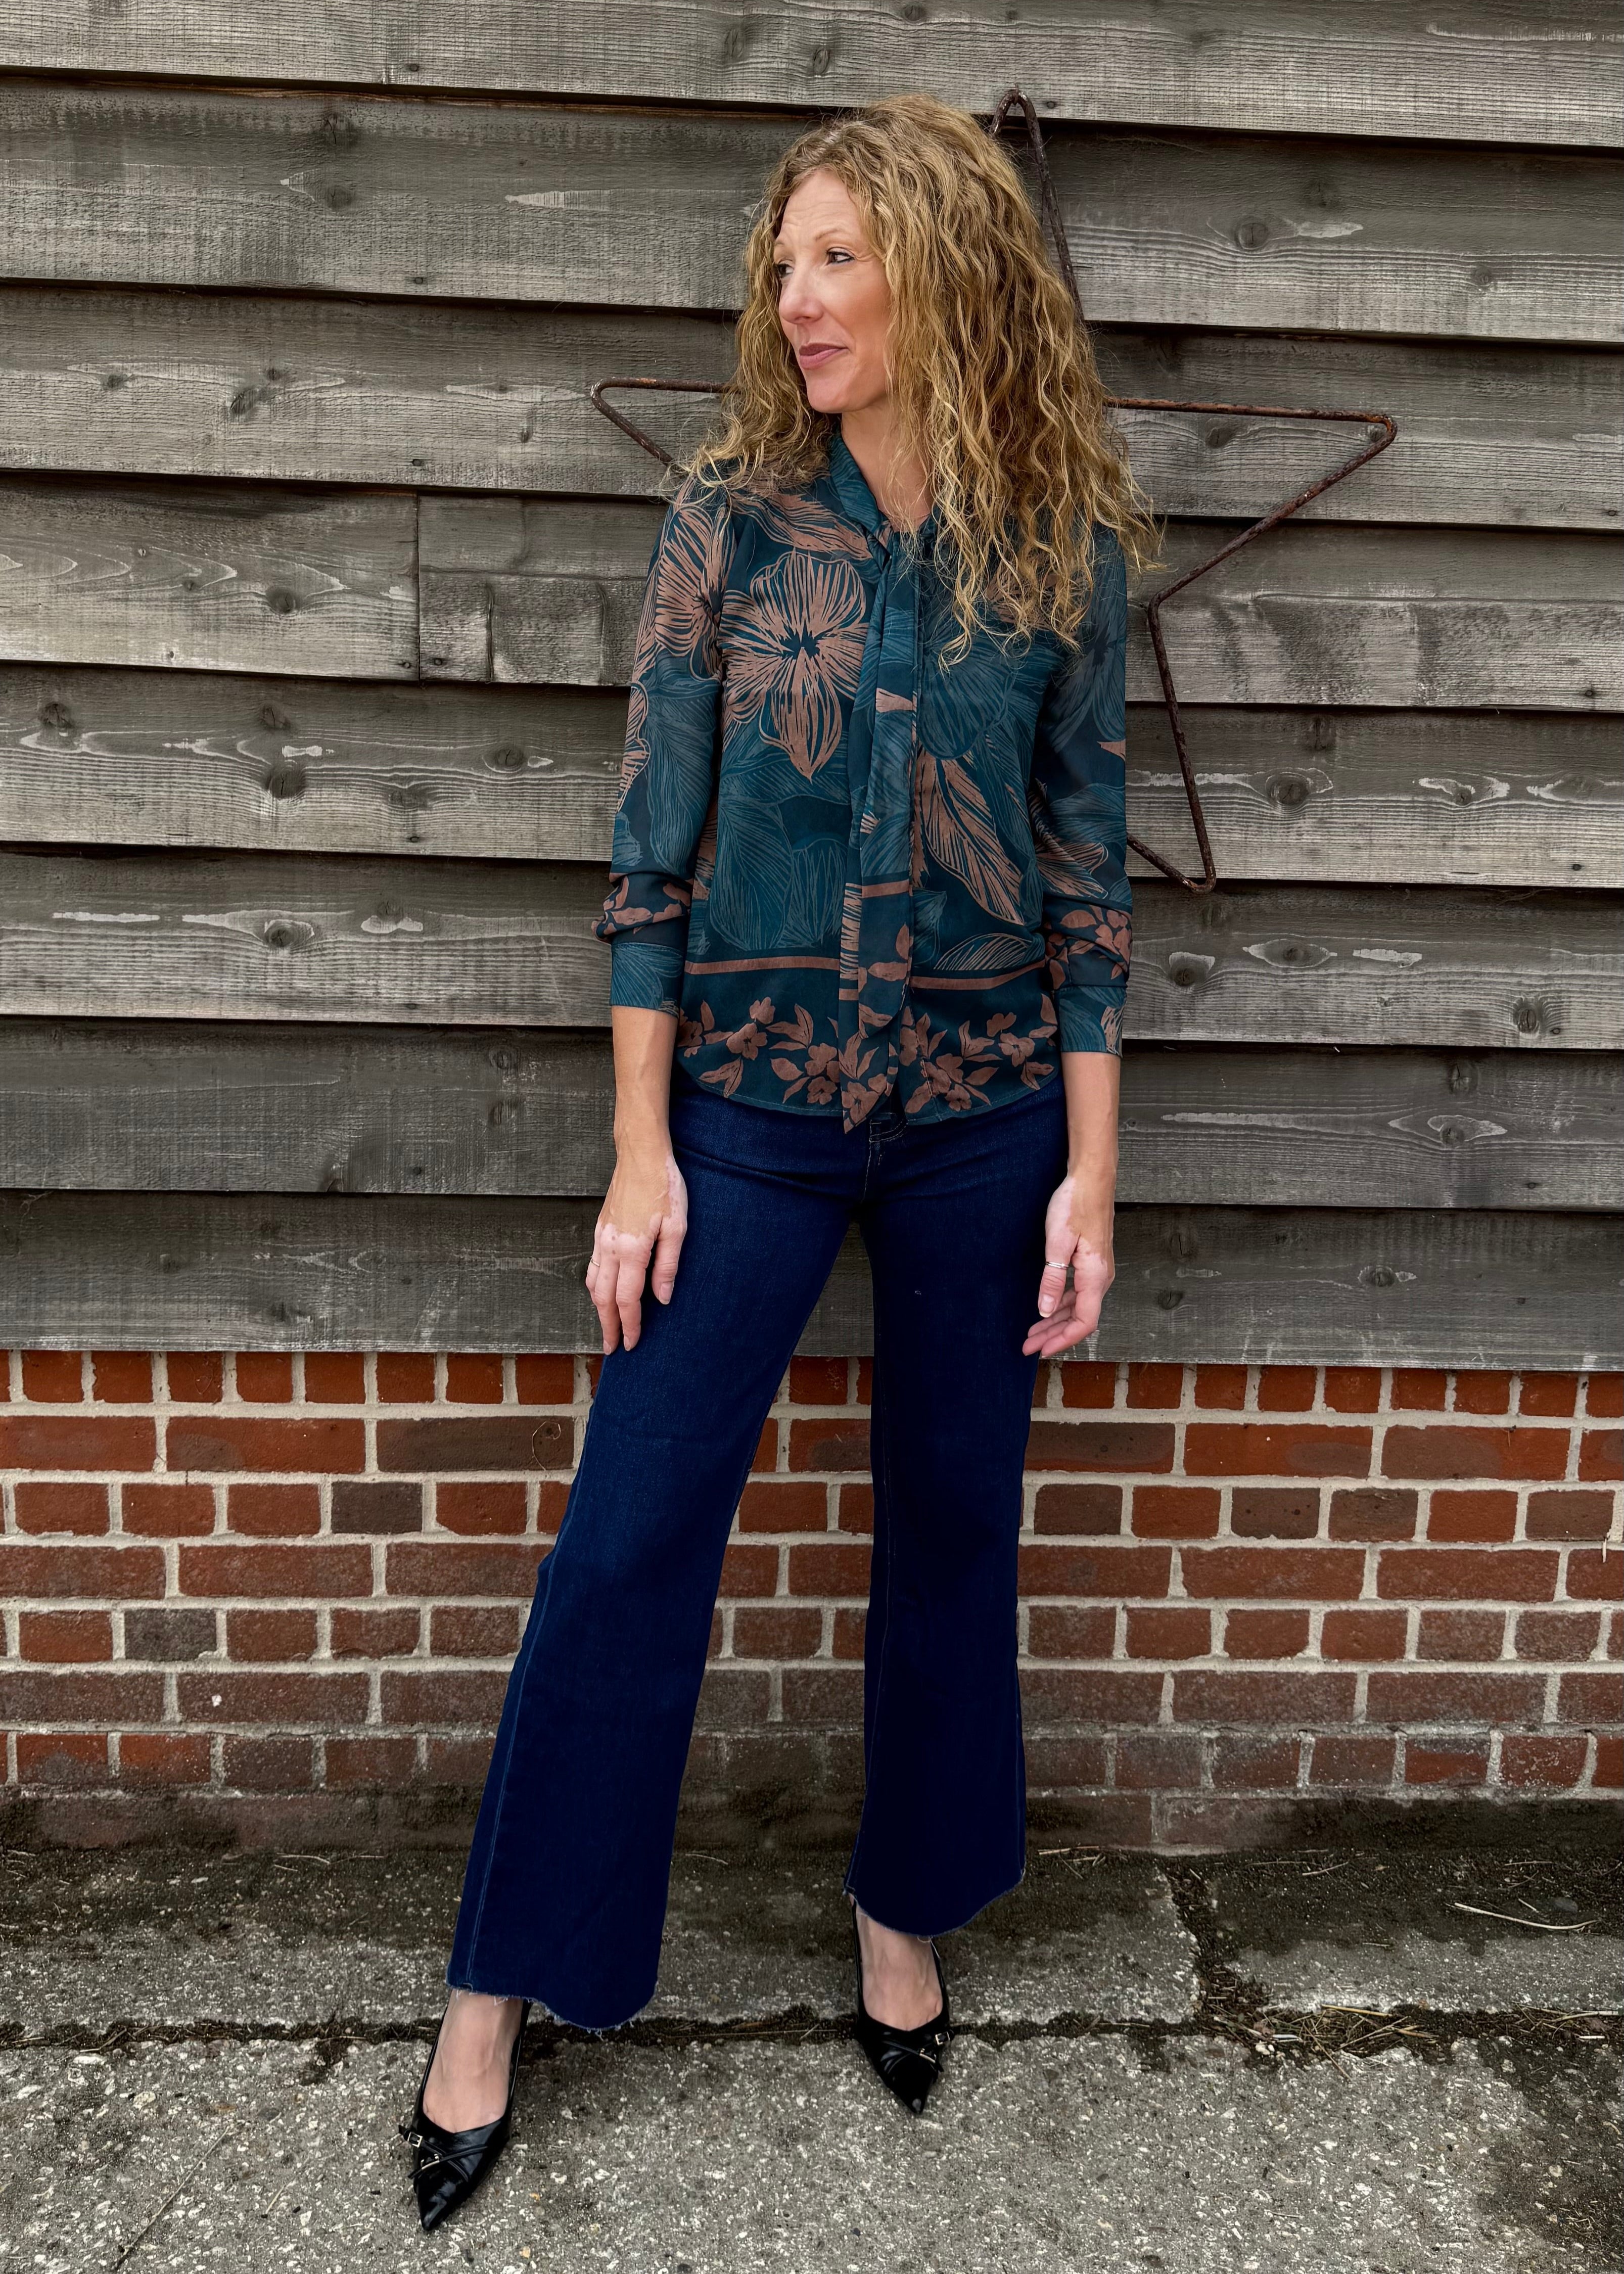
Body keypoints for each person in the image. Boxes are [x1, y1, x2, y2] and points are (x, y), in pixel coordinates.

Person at [401, 90, 1160, 2231]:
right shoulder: (730, 523)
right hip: (742, 1114)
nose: (797, 296)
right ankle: (498, 1985)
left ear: (942, 266)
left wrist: (1091, 1177)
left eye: (837, 255)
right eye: (784, 262)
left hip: (985, 1124)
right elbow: (647, 867)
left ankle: (902, 1914)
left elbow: (1092, 891)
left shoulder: (1062, 547)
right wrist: (640, 1154)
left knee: (952, 1530)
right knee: (632, 1531)